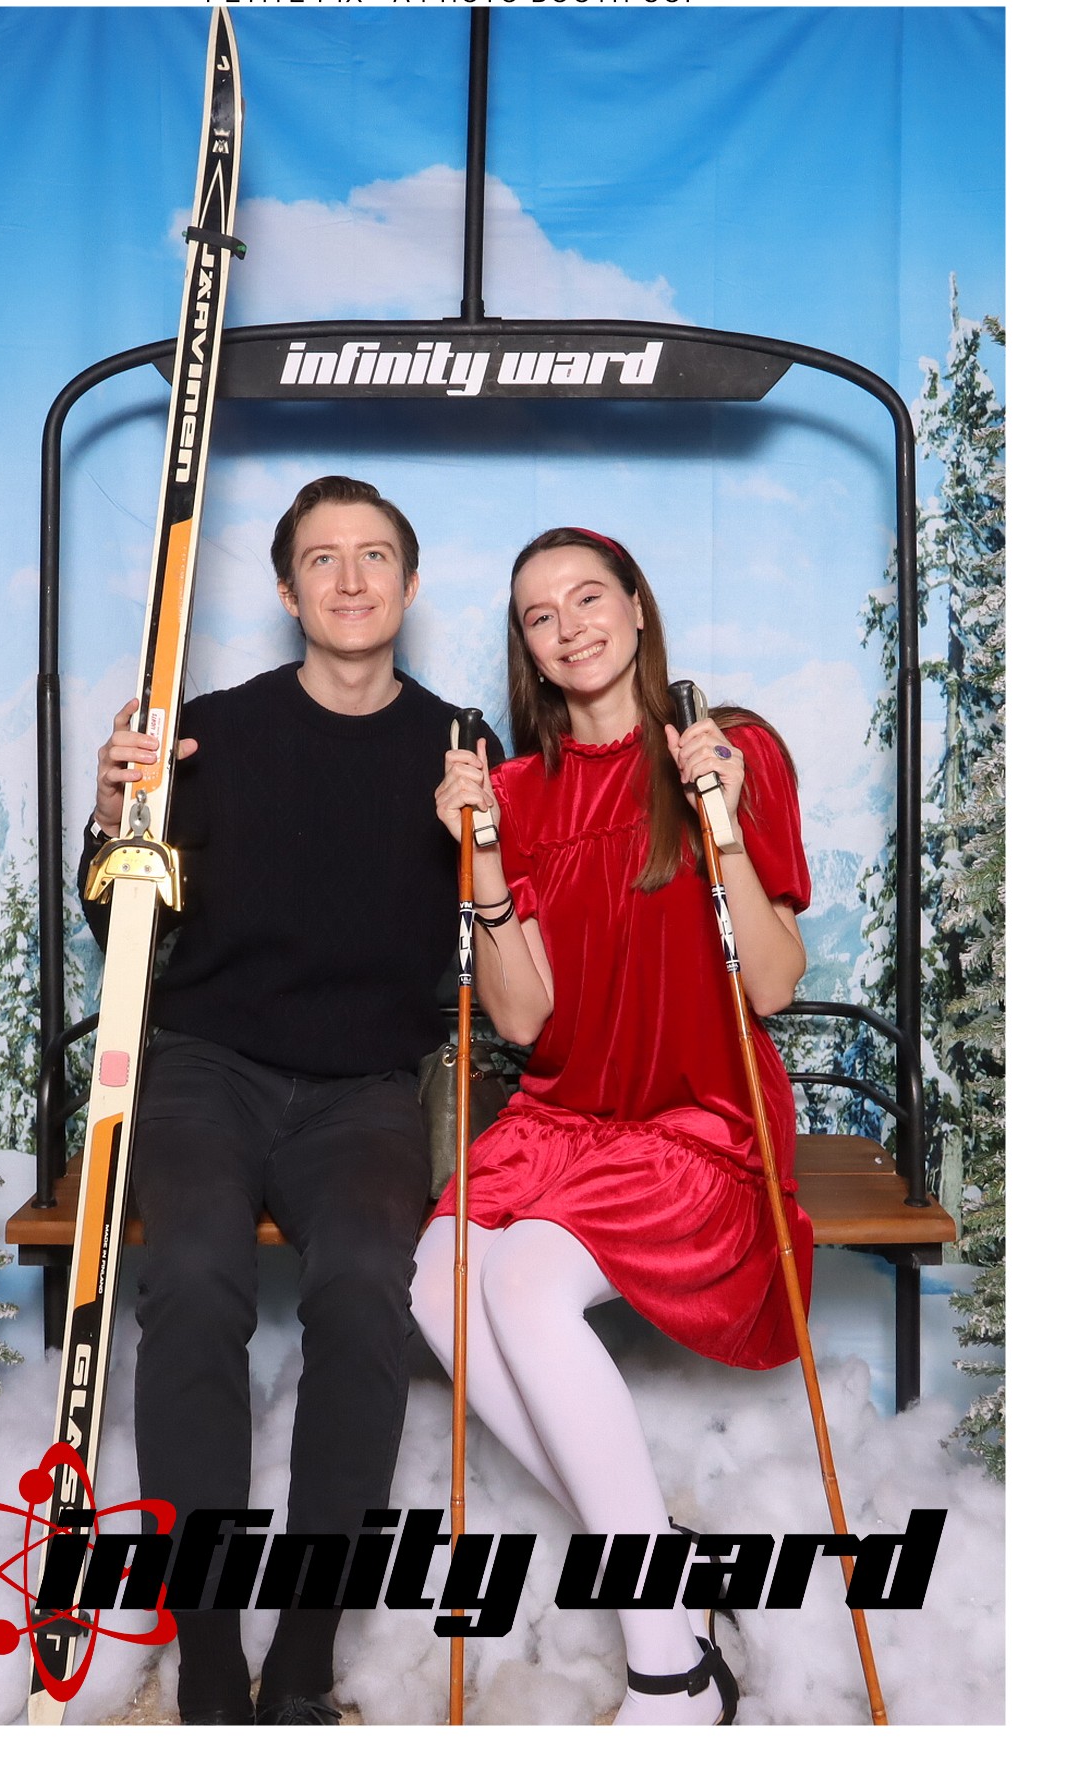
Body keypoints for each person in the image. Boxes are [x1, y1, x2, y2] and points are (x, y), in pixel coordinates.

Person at [80, 475, 499, 1726]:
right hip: (209, 1068)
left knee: (367, 1283)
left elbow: (501, 937)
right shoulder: (211, 734)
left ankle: (306, 1643)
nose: (351, 578)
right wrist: (110, 816)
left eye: (375, 556)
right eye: (323, 558)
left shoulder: (457, 746)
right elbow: (121, 926)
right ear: (285, 588)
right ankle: (208, 1640)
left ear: (410, 585)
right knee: (193, 1272)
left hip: (365, 1091)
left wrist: (482, 839)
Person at [412, 525, 814, 1727]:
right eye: (540, 615)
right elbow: (525, 1020)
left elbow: (774, 983)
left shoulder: (729, 750)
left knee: (525, 1281)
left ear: (638, 608)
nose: (570, 625)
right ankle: (662, 1559)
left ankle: (670, 1671)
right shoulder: (516, 794)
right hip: (566, 1115)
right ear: (525, 651)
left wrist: (719, 819)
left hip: (699, 1114)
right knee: (436, 1282)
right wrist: (483, 860)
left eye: (590, 596)